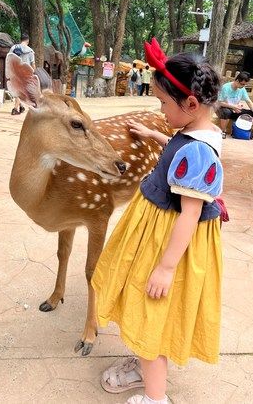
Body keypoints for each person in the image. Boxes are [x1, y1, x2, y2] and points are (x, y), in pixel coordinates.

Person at [92, 38, 224, 404]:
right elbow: (179, 143)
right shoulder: (198, 132)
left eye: (164, 103)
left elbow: (191, 212)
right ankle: (145, 365)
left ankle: (155, 397)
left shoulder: (199, 153)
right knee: (147, 311)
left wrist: (166, 267)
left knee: (152, 317)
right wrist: (154, 134)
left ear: (191, 104)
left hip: (168, 240)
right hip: (158, 231)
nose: (161, 110)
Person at [216, 71, 253, 139]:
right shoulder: (225, 87)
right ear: (237, 81)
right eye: (242, 84)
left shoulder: (242, 89)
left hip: (235, 110)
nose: (243, 86)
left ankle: (246, 131)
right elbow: (219, 103)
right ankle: (223, 131)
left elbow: (248, 101)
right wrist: (233, 107)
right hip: (223, 108)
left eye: (244, 85)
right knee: (226, 112)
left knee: (251, 113)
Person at [9, 33, 35, 115]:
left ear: (21, 39)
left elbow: (9, 58)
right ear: (28, 40)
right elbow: (32, 64)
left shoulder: (13, 48)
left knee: (18, 89)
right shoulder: (30, 51)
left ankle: (20, 106)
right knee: (20, 91)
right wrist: (34, 73)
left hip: (15, 71)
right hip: (25, 73)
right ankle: (16, 108)